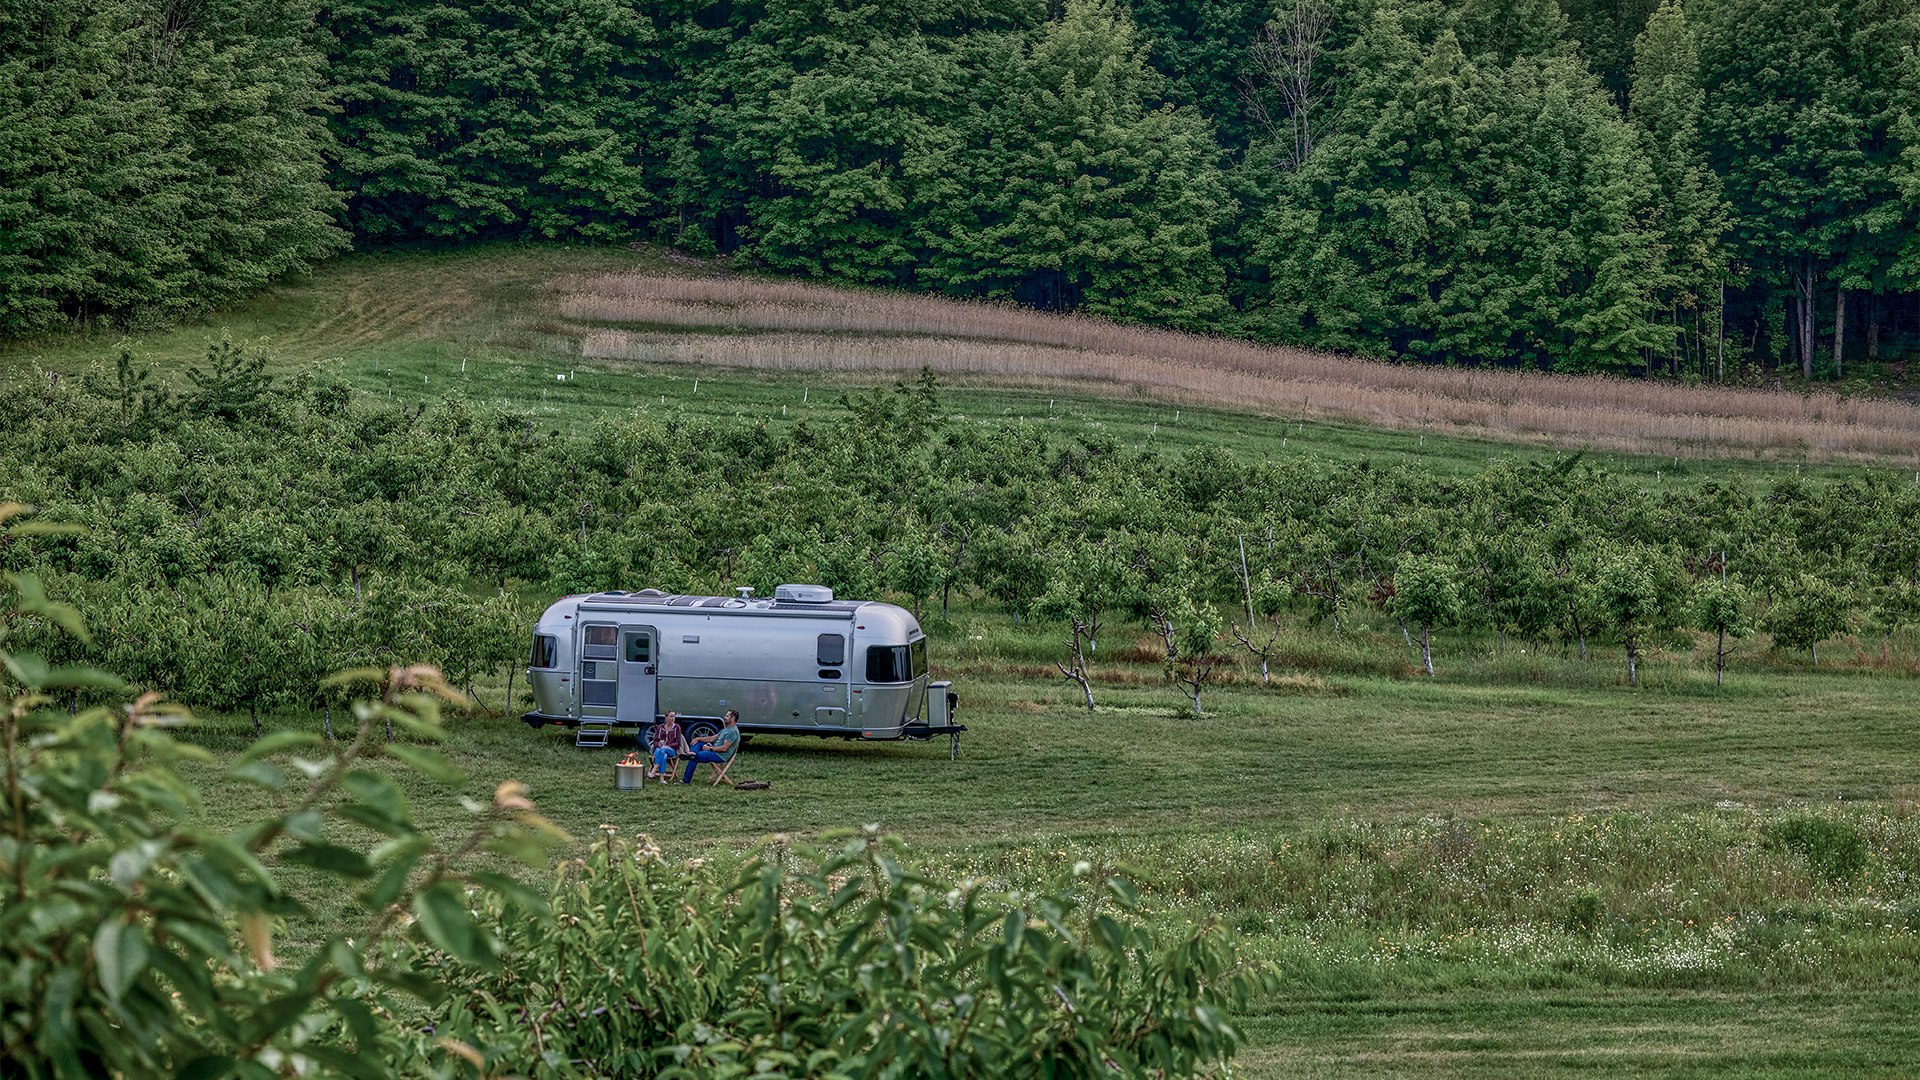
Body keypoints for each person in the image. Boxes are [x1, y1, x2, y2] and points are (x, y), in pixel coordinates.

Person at [681, 709, 740, 784]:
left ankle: (685, 780)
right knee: (698, 742)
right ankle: (691, 753)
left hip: (719, 755)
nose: (724, 717)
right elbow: (712, 738)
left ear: (733, 718)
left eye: (727, 716)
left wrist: (710, 748)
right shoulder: (726, 729)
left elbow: (724, 749)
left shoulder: (732, 732)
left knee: (694, 758)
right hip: (714, 751)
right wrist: (698, 738)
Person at [647, 711, 683, 780]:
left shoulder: (677, 727)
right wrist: (658, 744)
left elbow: (677, 743)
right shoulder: (660, 727)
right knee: (664, 755)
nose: (673, 718)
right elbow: (655, 741)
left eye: (674, 716)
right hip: (660, 749)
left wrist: (667, 746)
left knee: (663, 749)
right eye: (671, 716)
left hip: (672, 750)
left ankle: (655, 768)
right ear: (666, 717)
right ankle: (661, 778)